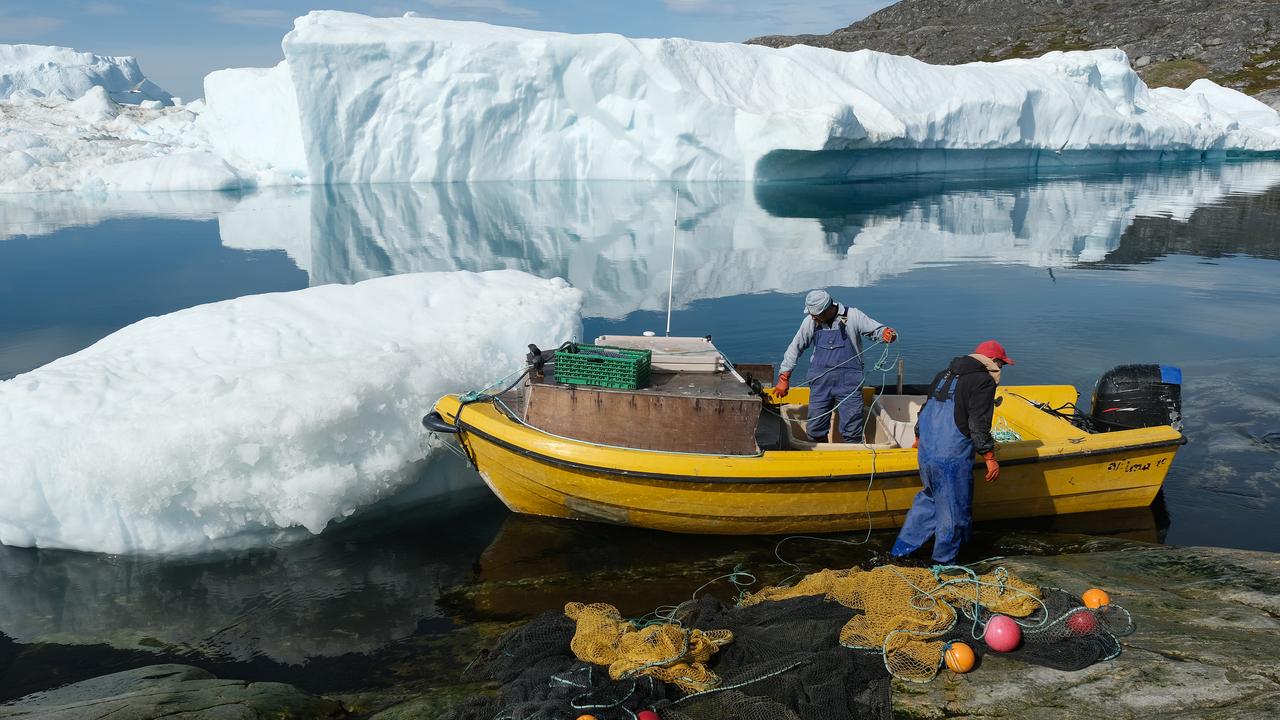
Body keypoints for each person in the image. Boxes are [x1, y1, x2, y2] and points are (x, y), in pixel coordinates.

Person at [890, 340, 1014, 565]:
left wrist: (918, 437)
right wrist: (989, 457)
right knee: (953, 509)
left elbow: (925, 409)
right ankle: (944, 564)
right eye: (1001, 365)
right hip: (951, 456)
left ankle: (900, 552)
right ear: (993, 362)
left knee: (929, 499)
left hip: (927, 451)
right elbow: (978, 423)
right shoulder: (983, 381)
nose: (1001, 369)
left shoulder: (944, 374)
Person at [773, 289, 896, 443]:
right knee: (815, 428)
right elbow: (795, 348)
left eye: (816, 315)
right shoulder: (810, 322)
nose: (813, 317)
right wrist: (784, 377)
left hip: (849, 383)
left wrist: (886, 333)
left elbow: (876, 330)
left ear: (827, 309)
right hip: (820, 382)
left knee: (852, 430)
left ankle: (853, 461)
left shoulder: (853, 316)